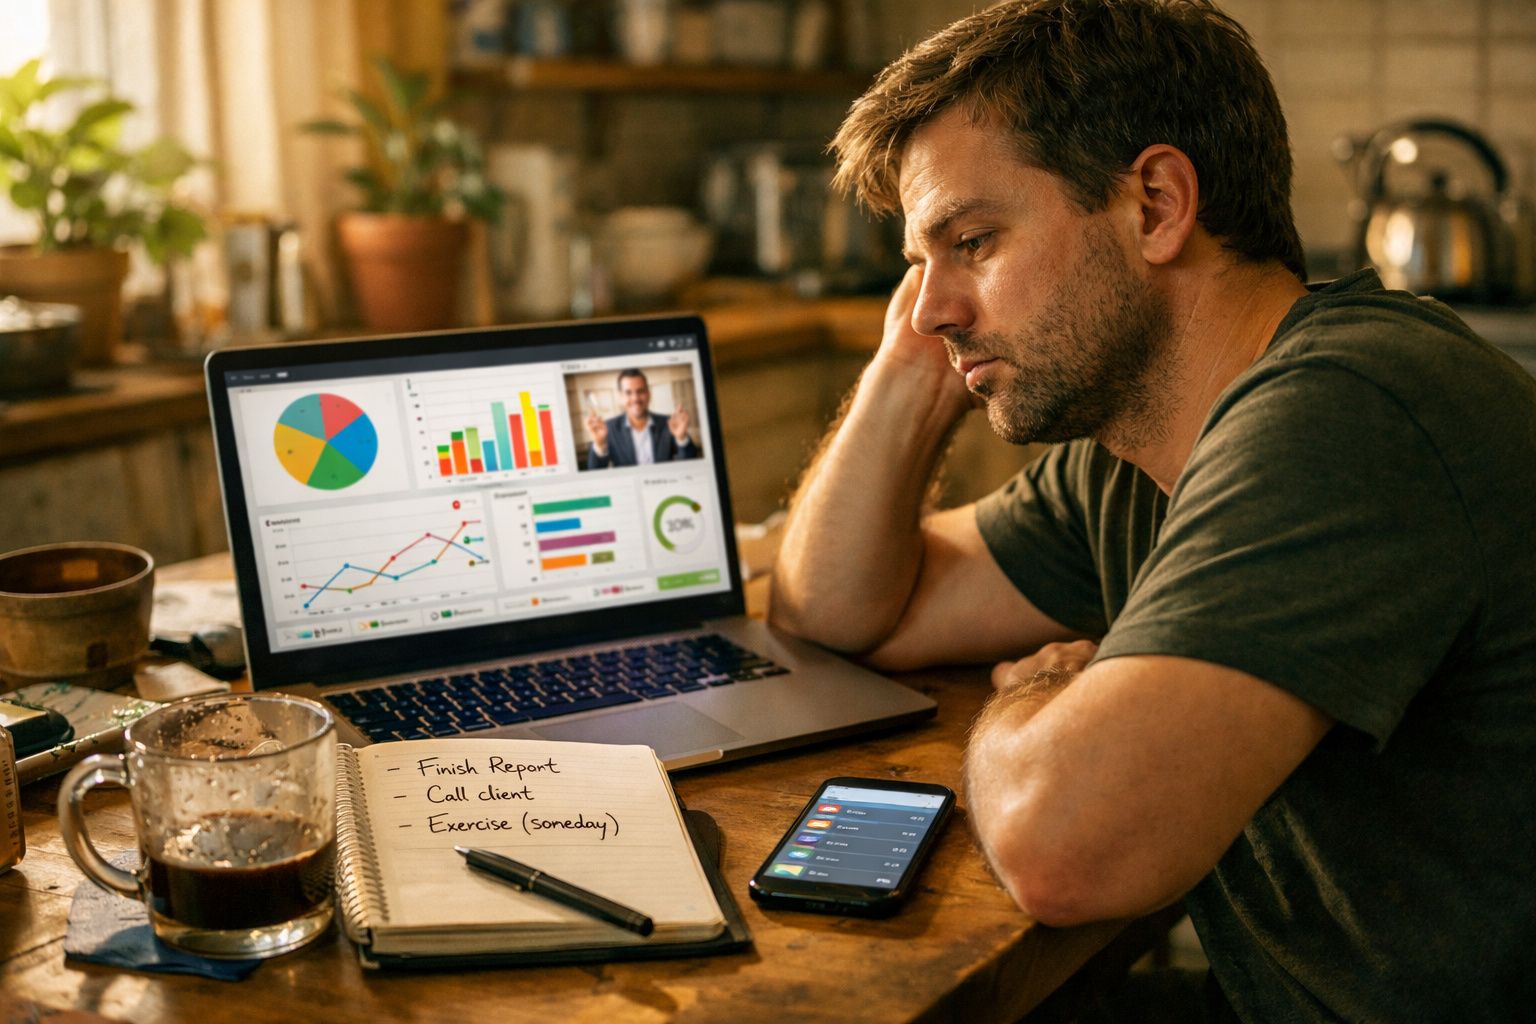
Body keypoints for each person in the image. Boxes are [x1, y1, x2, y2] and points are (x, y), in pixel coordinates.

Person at [767, 1, 1536, 1021]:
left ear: (1157, 205)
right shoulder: (1139, 450)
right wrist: (911, 366)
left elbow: (1064, 847)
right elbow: (834, 606)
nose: (933, 306)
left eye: (974, 240)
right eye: (920, 263)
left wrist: (1027, 704)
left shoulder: (1351, 410)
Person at [584, 368, 699, 469]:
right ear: (620, 397)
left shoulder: (668, 423)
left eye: (640, 391)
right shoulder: (608, 428)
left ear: (648, 394)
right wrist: (599, 444)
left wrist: (682, 437)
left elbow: (692, 463)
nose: (635, 398)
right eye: (628, 393)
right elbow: (595, 471)